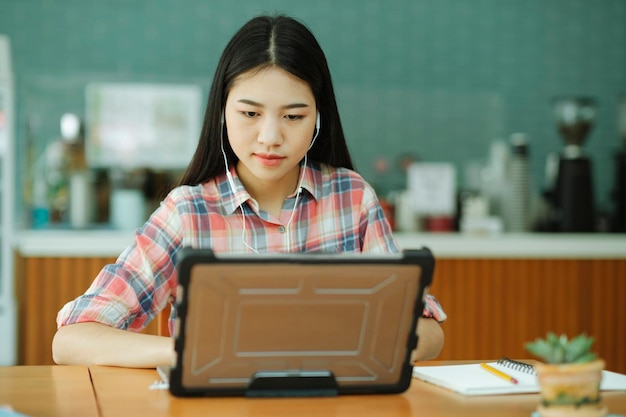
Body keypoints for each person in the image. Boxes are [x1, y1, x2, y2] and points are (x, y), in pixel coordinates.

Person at [52, 14, 445, 368]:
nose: (270, 137)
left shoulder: (352, 199)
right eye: (250, 113)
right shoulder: (188, 213)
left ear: (319, 118)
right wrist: (190, 353)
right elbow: (72, 341)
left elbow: (429, 330)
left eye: (293, 116)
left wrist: (359, 349)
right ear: (222, 112)